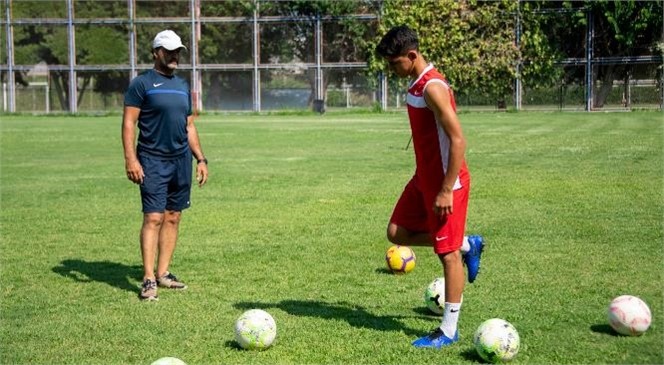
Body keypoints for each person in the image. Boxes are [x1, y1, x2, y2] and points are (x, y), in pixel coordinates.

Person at [376, 25, 484, 347]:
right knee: (397, 232)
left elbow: (458, 139)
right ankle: (468, 244)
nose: (391, 69)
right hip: (422, 178)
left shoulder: (432, 87)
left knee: (446, 255)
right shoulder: (415, 81)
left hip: (445, 183)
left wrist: (447, 188)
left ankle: (448, 330)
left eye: (395, 63)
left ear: (411, 56)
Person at [122, 29, 209, 301]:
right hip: (152, 160)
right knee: (153, 217)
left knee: (173, 216)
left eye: (178, 51)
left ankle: (163, 273)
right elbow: (128, 123)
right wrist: (130, 159)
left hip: (180, 160)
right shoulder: (142, 84)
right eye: (169, 51)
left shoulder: (183, 86)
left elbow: (189, 125)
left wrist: (201, 159)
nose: (175, 56)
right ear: (156, 52)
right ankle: (148, 278)